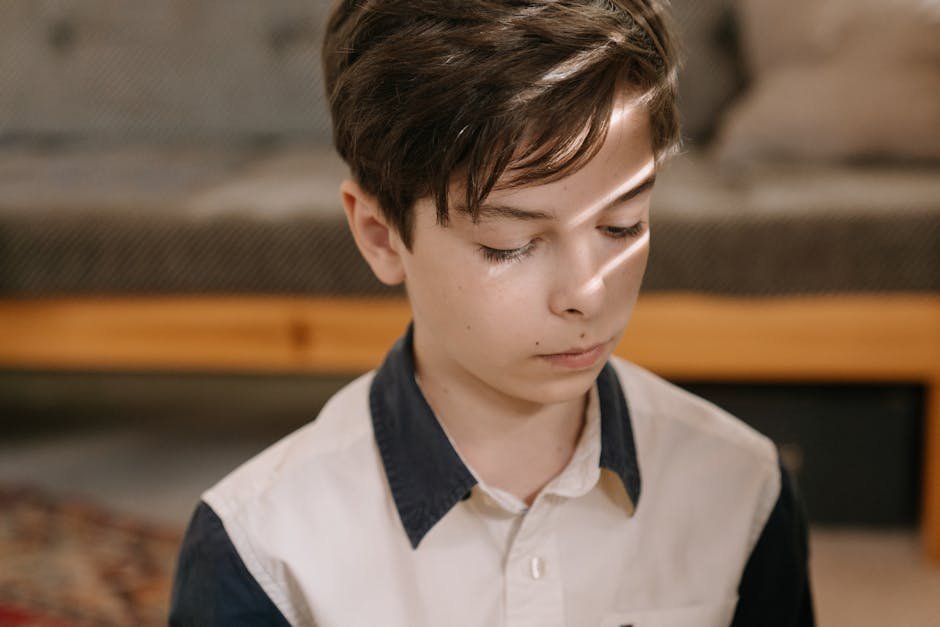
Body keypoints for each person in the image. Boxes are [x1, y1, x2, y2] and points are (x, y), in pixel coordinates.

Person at [170, 1, 814, 625]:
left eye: (622, 227)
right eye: (511, 246)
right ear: (379, 234)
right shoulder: (262, 548)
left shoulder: (744, 491)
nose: (586, 293)